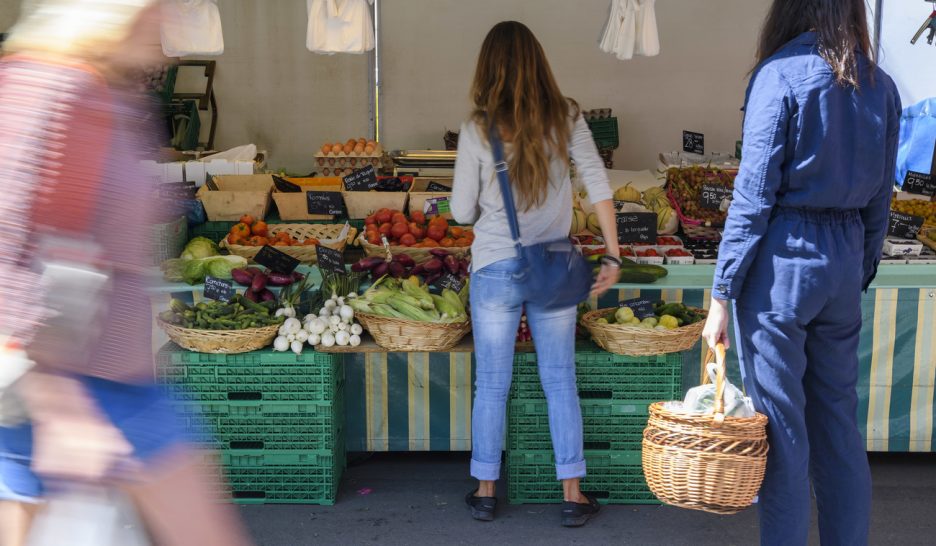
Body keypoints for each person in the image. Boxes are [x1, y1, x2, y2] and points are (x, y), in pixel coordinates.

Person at [0, 1, 251, 545]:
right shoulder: (60, 89)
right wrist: (59, 400)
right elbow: (22, 243)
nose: (171, 29)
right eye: (158, 11)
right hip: (78, 379)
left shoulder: (109, 93)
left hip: (106, 372)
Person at [701, 1, 901, 544]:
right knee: (838, 426)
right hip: (842, 258)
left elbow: (752, 196)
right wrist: (857, 267)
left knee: (783, 433)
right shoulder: (879, 84)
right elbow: (881, 198)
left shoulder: (779, 74)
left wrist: (722, 293)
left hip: (782, 261)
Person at [451, 21, 620, 527]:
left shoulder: (477, 128)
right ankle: (572, 494)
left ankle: (484, 489)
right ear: (540, 63)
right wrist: (612, 253)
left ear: (487, 70)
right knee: (559, 379)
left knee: (492, 384)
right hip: (554, 266)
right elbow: (597, 182)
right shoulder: (566, 117)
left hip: (495, 266)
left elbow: (461, 212)